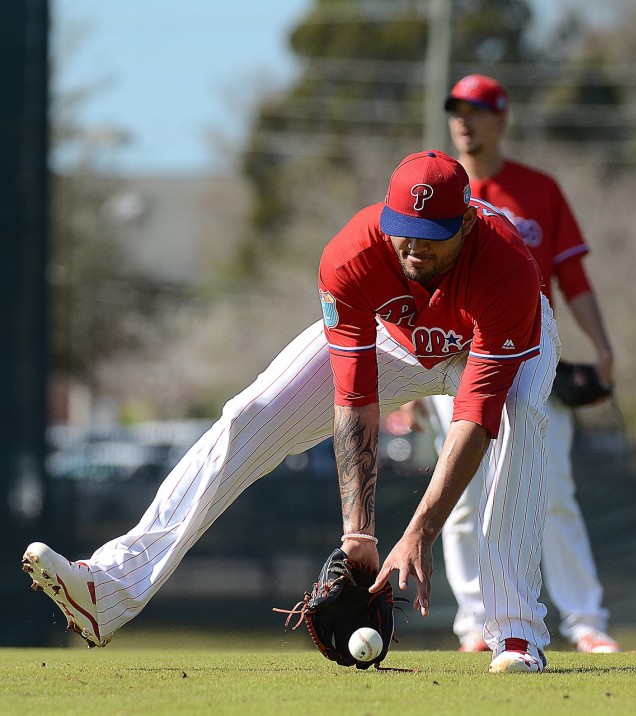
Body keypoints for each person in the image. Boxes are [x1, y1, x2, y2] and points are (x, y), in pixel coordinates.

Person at [23, 149, 560, 674]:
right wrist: (360, 536)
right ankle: (111, 590)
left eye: (433, 234)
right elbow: (355, 399)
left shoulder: (506, 266)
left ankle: (515, 632)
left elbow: (475, 415)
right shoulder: (352, 256)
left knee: (518, 425)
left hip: (492, 340)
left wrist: (420, 530)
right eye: (404, 228)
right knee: (250, 414)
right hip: (398, 339)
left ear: (466, 221)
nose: (415, 246)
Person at [416, 74, 619, 654]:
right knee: (457, 495)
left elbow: (573, 276)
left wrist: (600, 342)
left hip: (529, 352)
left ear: (501, 119)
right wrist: (404, 386)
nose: (464, 119)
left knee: (551, 489)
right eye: (456, 109)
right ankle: (475, 624)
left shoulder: (539, 191)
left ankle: (585, 619)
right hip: (450, 354)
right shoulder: (436, 191)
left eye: (477, 109)